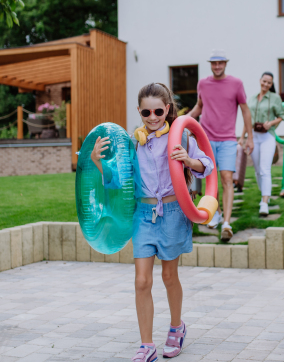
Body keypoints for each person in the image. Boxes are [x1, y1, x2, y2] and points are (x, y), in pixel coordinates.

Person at [91, 83, 214, 361]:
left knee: (169, 276)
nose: (153, 116)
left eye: (158, 110)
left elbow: (208, 164)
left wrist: (189, 161)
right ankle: (147, 345)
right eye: (146, 112)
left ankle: (176, 327)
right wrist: (99, 163)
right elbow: (118, 181)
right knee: (141, 281)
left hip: (172, 213)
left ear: (167, 109)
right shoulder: (133, 142)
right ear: (139, 111)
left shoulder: (180, 137)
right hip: (143, 216)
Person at [188, 50, 254, 240]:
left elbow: (245, 110)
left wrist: (249, 137)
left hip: (227, 139)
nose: (217, 67)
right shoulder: (203, 83)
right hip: (206, 138)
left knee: (226, 177)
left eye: (220, 63)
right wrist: (184, 120)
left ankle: (226, 223)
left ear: (225, 64)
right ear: (210, 65)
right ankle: (214, 213)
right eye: (214, 63)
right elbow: (199, 106)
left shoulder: (236, 84)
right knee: (211, 179)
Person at [240, 72, 284, 216]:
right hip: (253, 137)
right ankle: (265, 193)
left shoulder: (275, 98)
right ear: (260, 81)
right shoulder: (252, 99)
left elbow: (281, 117)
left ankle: (264, 202)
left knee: (265, 169)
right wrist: (242, 137)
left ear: (271, 84)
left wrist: (270, 123)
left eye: (269, 83)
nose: (266, 84)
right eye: (264, 81)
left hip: (268, 137)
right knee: (258, 170)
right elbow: (247, 120)